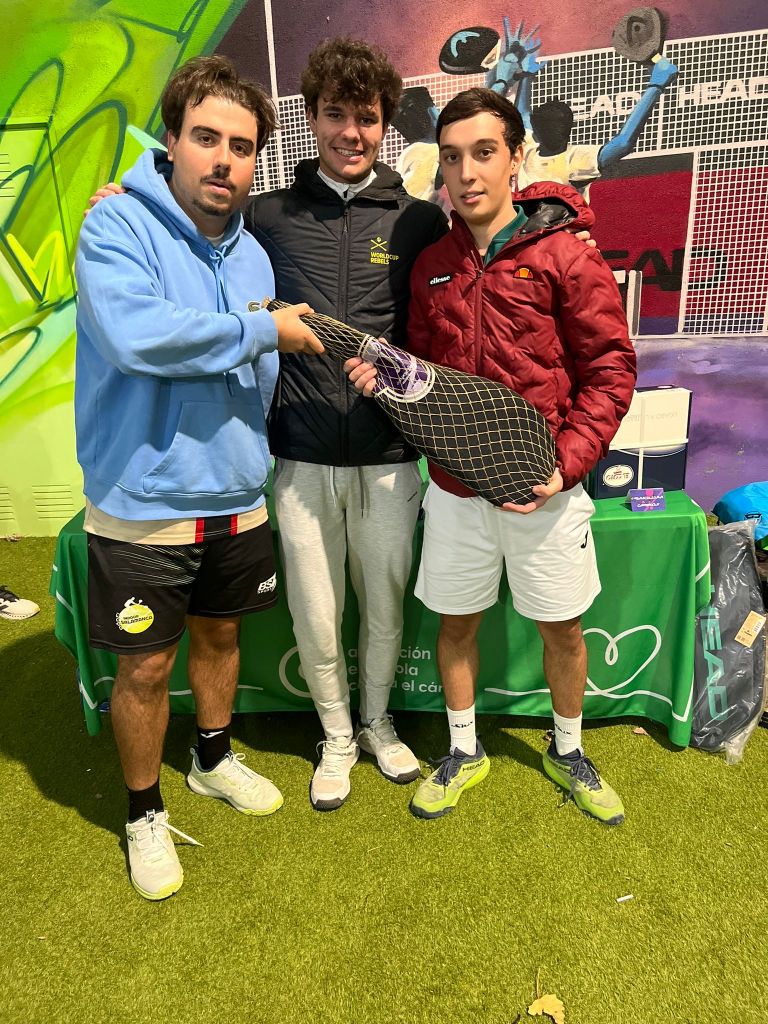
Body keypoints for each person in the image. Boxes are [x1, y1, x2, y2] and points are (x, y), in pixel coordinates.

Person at [346, 87, 637, 824]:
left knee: (561, 629)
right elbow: (422, 376)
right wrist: (383, 379)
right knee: (457, 625)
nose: (466, 173)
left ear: (516, 158)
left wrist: (563, 466)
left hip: (547, 490)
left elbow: (610, 370)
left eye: (483, 153)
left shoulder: (566, 254)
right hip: (454, 492)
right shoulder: (430, 266)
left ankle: (568, 749)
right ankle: (463, 750)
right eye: (451, 158)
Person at [76, 55, 322, 900]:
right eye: (206, 138)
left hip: (237, 494)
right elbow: (137, 336)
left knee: (220, 639)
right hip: (144, 499)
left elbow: (259, 365)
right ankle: (143, 812)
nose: (223, 160)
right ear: (172, 141)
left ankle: (212, 758)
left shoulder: (253, 255)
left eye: (242, 147)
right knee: (146, 669)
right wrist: (261, 334)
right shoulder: (116, 226)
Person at [245, 38, 449, 811]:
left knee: (386, 607)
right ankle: (335, 737)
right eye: (336, 115)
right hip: (300, 455)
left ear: (385, 124)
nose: (351, 133)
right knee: (316, 611)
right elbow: (193, 235)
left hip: (390, 455)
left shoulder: (419, 220)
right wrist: (126, 200)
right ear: (312, 117)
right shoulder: (268, 215)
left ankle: (377, 723)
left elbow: (441, 326)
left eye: (366, 118)